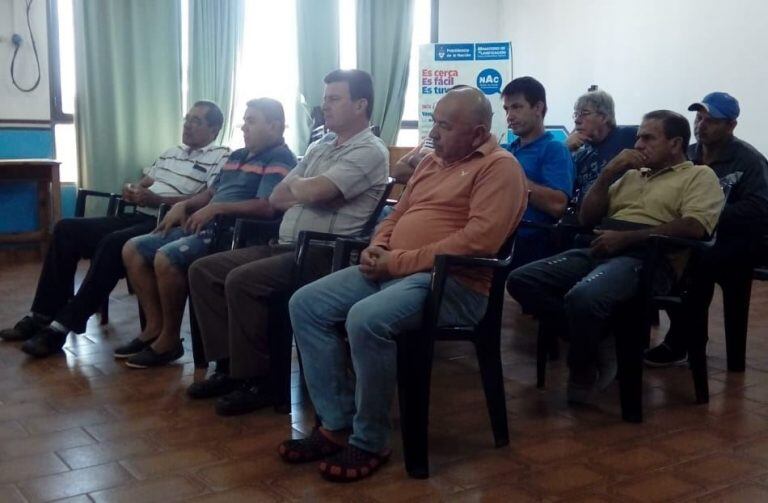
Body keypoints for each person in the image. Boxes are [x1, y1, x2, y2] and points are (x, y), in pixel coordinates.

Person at [279, 87, 527, 483]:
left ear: (479, 133)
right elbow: (397, 214)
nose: (435, 133)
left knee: (365, 319)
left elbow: (478, 241)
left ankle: (371, 439)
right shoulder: (431, 163)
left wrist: (397, 262)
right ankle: (336, 420)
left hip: (452, 284)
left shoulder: (501, 168)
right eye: (434, 122)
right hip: (396, 271)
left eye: (444, 126)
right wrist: (377, 246)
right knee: (305, 304)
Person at [185, 69, 389, 413]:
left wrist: (307, 188)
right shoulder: (321, 146)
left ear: (360, 104)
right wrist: (308, 189)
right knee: (204, 270)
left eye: (334, 99)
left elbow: (315, 190)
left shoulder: (370, 150)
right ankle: (229, 366)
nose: (326, 106)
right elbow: (278, 198)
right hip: (285, 244)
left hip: (326, 253)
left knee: (241, 280)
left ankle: (258, 381)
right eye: (325, 99)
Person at [507, 110, 724, 403]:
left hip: (648, 260)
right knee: (522, 280)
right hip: (601, 248)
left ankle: (583, 370)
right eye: (638, 138)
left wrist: (627, 238)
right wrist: (608, 172)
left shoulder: (699, 175)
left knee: (582, 297)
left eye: (648, 138)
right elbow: (586, 216)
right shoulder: (632, 175)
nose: (638, 145)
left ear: (675, 143)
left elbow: (695, 226)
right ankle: (602, 341)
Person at [1, 101, 229, 357]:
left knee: (113, 244)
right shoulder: (171, 152)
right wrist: (132, 189)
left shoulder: (221, 156)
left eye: (196, 121)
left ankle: (63, 325)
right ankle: (41, 315)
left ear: (214, 128)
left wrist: (158, 200)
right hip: (137, 215)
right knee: (66, 229)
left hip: (165, 222)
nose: (187, 124)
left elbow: (207, 198)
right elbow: (145, 182)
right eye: (186, 118)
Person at [116, 99, 296, 368]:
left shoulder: (279, 158)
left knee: (166, 257)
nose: (243, 127)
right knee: (133, 248)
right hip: (206, 225)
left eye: (251, 121)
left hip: (234, 232)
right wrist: (184, 205)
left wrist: (217, 209)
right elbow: (210, 193)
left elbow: (266, 206)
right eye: (244, 120)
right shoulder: (237, 156)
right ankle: (154, 327)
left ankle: (169, 340)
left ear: (275, 126)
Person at [644, 92, 768, 367]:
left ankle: (682, 342)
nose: (701, 125)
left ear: (731, 125)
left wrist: (709, 213)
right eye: (699, 118)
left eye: (711, 120)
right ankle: (685, 338)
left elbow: (760, 209)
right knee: (656, 256)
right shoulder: (687, 154)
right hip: (695, 236)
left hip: (736, 242)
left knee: (694, 265)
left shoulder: (749, 161)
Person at [502, 76, 574, 267]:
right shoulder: (507, 151)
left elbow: (557, 205)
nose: (509, 116)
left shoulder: (554, 149)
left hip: (528, 241)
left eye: (517, 107)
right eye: (507, 109)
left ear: (538, 108)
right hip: (498, 232)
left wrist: (515, 179)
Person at [567, 89, 638, 207]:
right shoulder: (579, 153)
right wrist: (564, 150)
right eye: (576, 114)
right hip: (585, 218)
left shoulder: (629, 135)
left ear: (604, 117)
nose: (577, 120)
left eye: (584, 113)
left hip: (617, 215)